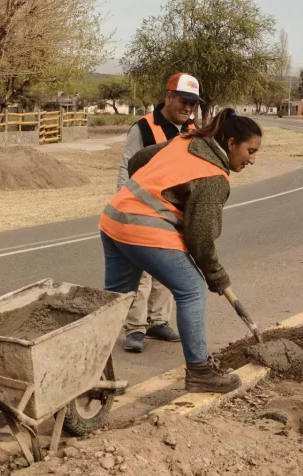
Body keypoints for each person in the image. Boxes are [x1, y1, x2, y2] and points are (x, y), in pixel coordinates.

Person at [99, 108, 262, 393]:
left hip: (114, 217)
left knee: (115, 302)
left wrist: (154, 191)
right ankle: (200, 372)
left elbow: (139, 160)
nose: (252, 159)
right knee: (192, 289)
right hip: (143, 228)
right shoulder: (213, 176)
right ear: (232, 143)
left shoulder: (186, 140)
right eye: (250, 150)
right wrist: (216, 277)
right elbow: (200, 237)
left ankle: (91, 370)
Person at [117, 73, 202, 353]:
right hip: (141, 209)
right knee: (140, 271)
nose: (188, 107)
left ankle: (158, 322)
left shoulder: (191, 129)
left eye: (193, 103)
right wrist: (125, 207)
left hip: (173, 211)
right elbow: (125, 168)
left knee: (168, 267)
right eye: (183, 100)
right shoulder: (143, 128)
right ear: (168, 97)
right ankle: (135, 328)